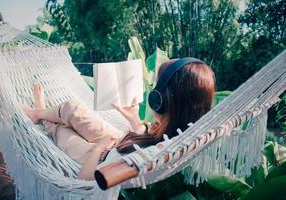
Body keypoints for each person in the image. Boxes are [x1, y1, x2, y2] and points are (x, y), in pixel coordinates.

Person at [22, 57, 215, 180]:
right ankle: (40, 113)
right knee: (72, 108)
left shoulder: (141, 160)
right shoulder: (177, 134)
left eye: (156, 86)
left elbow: (84, 183)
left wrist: (98, 149)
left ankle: (41, 114)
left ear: (160, 101)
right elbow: (149, 142)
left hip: (98, 158)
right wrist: (134, 120)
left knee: (62, 131)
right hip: (121, 140)